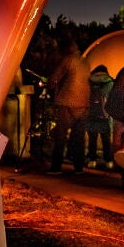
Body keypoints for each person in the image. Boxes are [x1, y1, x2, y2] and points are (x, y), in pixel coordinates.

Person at [46, 36, 89, 175]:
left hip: (66, 102)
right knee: (78, 137)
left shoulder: (68, 60)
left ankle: (56, 167)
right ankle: (79, 168)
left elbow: (54, 79)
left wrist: (50, 85)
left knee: (60, 135)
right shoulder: (85, 62)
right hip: (83, 104)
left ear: (66, 48)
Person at [86, 65, 114, 170]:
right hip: (104, 115)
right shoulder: (110, 82)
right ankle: (109, 161)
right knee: (106, 139)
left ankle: (92, 160)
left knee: (92, 139)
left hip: (91, 113)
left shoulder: (88, 81)